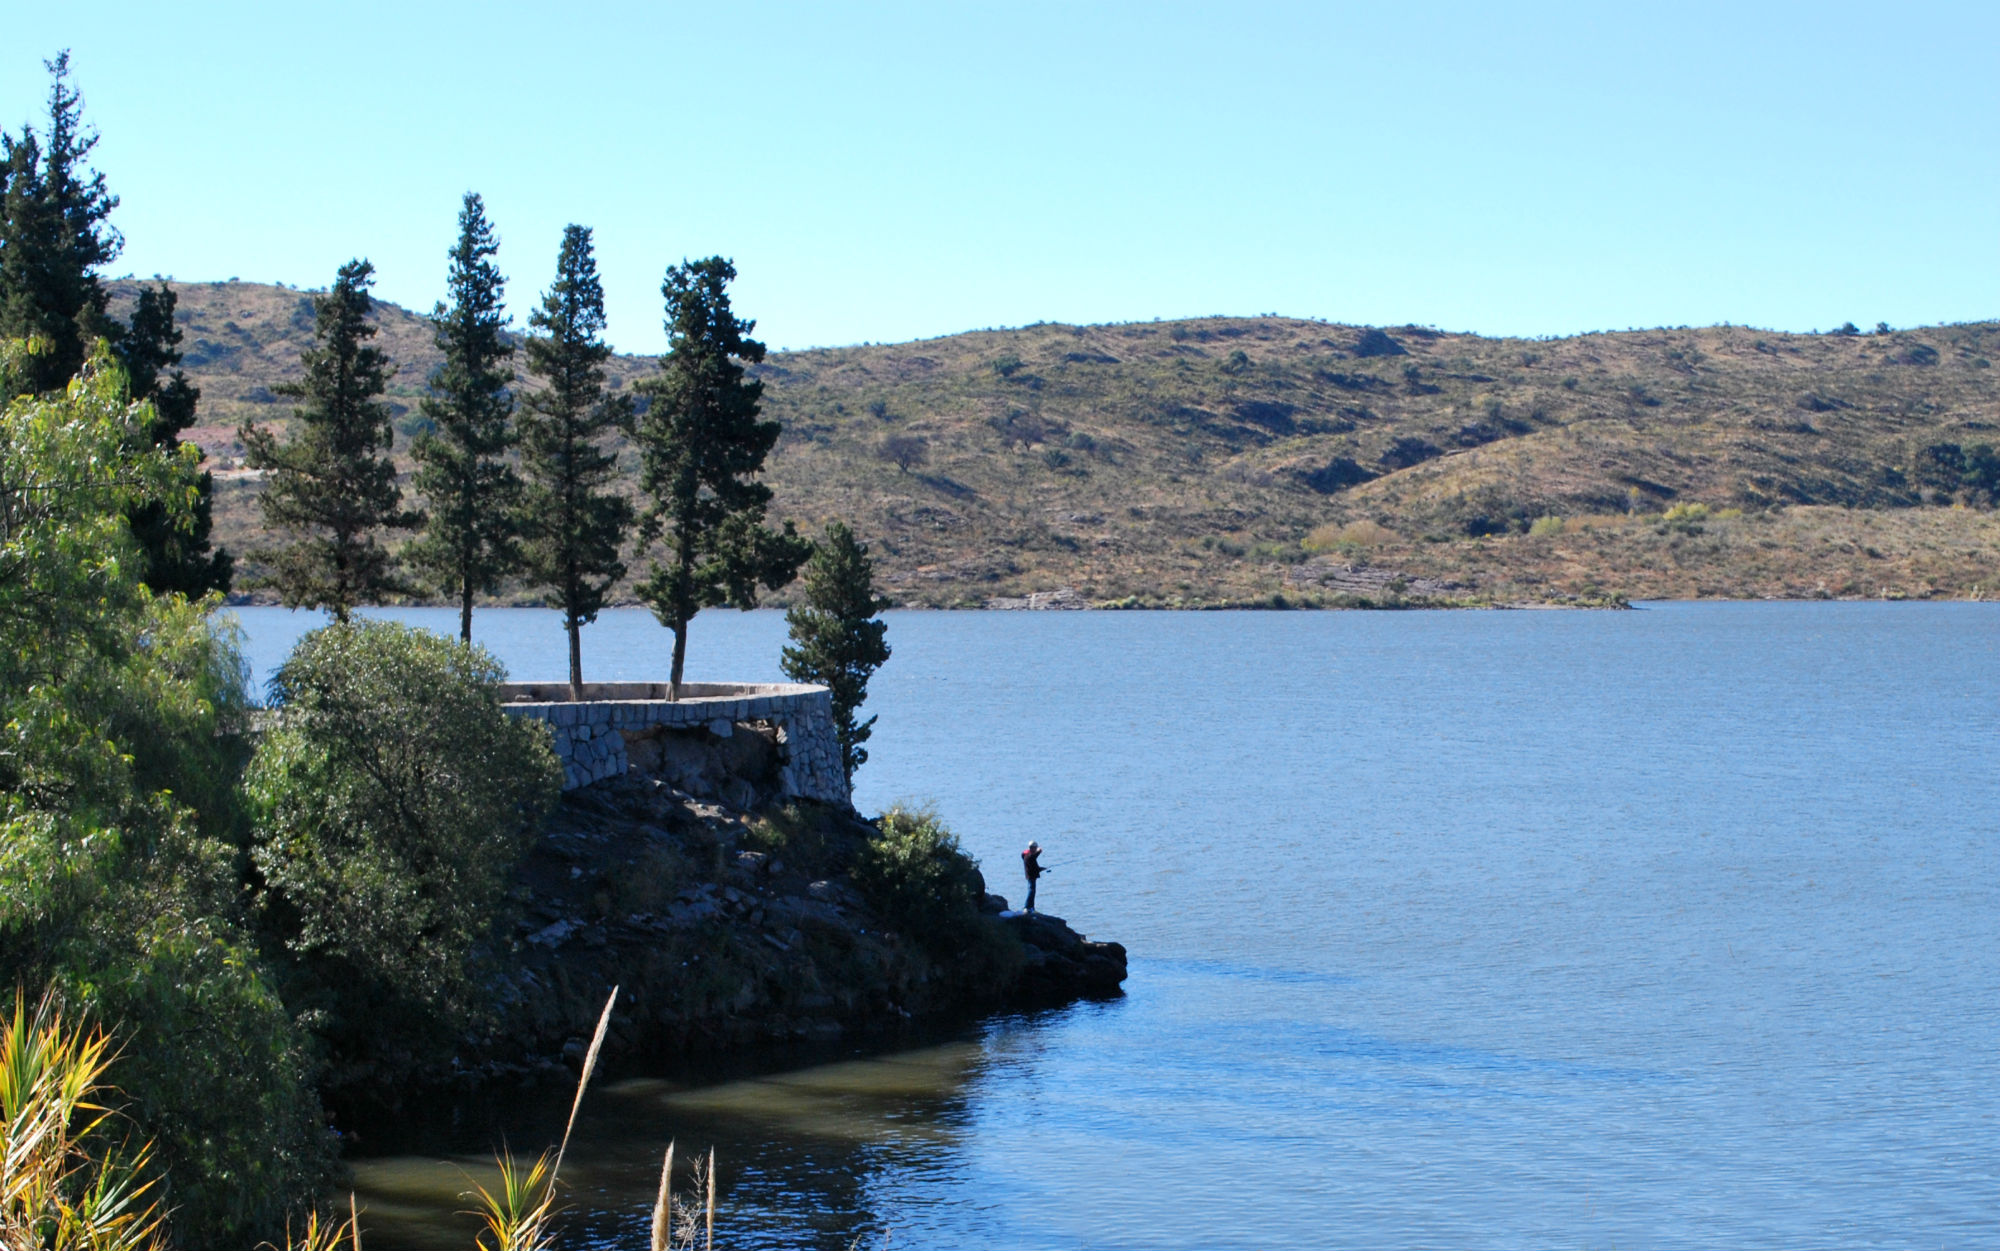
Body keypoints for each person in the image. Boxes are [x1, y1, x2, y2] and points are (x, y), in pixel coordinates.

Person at [1021, 840, 1047, 912]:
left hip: (1032, 875)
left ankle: (1031, 907)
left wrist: (1041, 868)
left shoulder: (1028, 856)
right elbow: (1033, 857)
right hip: (1030, 876)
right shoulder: (1028, 856)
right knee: (1031, 891)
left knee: (1033, 891)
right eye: (1035, 848)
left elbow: (1034, 866)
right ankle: (1026, 907)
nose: (1036, 849)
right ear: (1031, 848)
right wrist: (1039, 851)